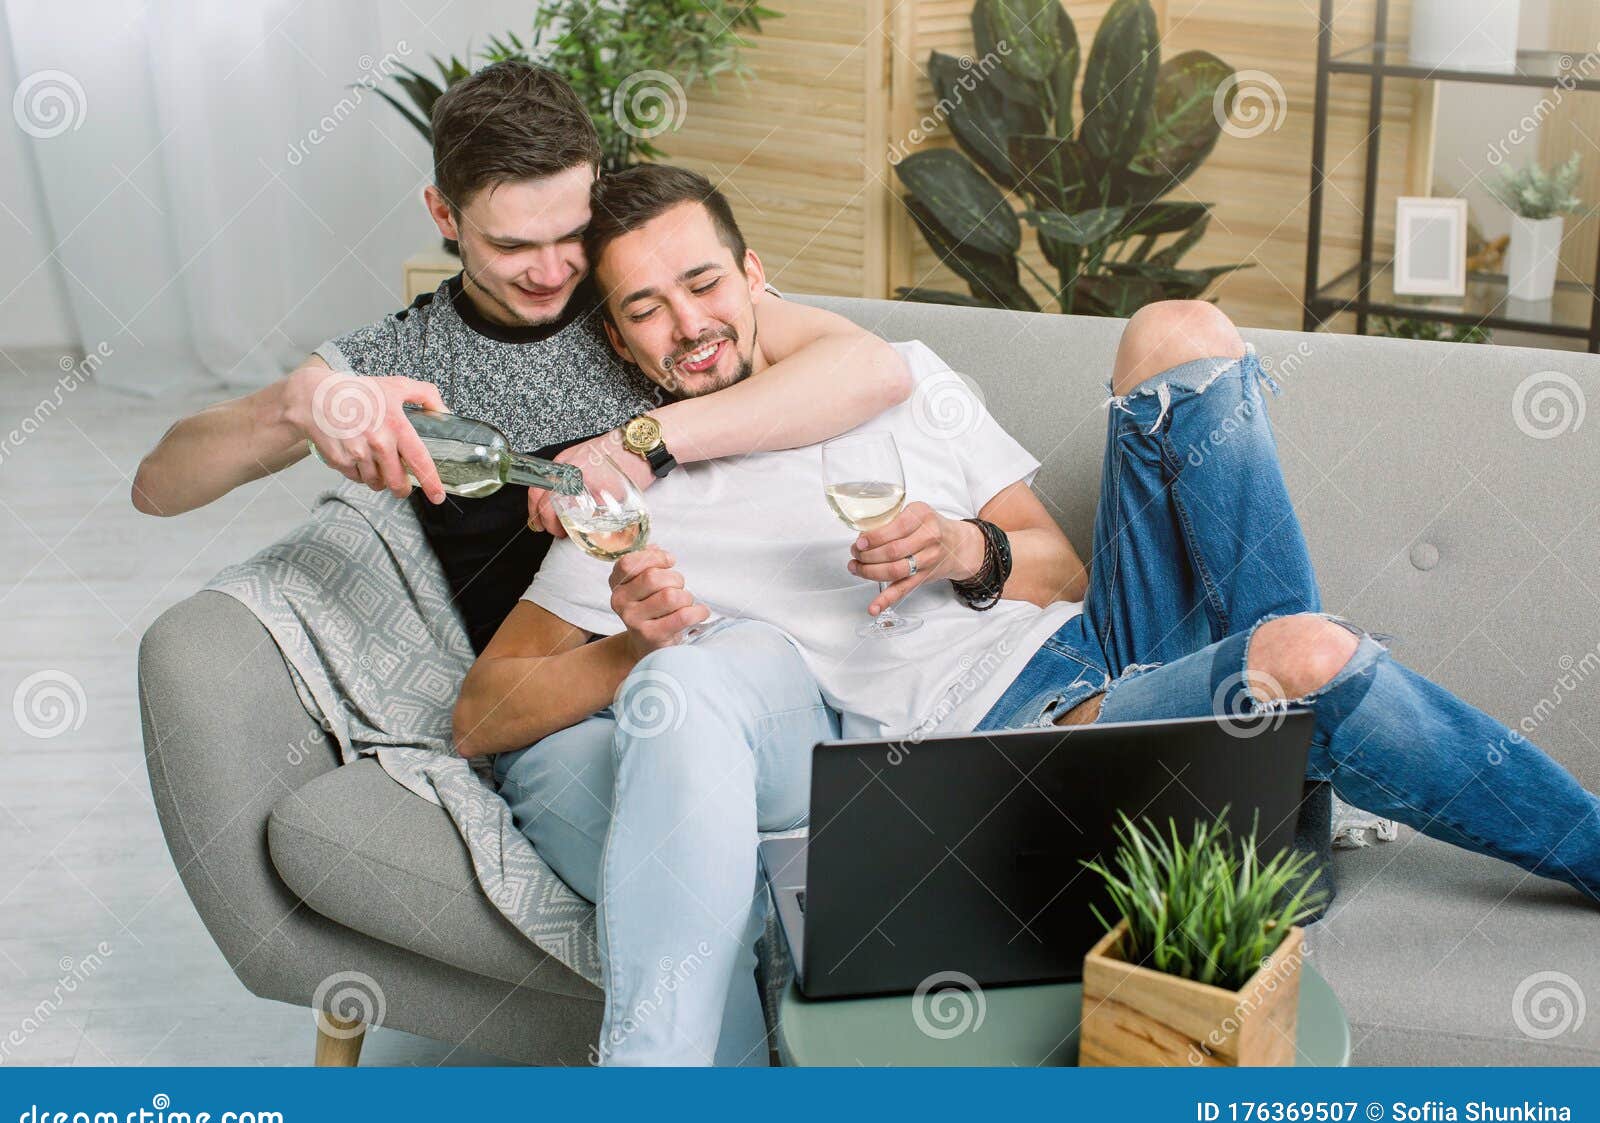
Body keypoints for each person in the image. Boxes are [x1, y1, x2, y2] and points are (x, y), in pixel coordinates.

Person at [461, 164, 1600, 1067]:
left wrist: (968, 548)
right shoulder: (632, 504)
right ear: (619, 341)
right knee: (1301, 652)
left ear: (756, 273)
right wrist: (637, 640)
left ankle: (1270, 785)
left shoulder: (885, 374)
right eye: (646, 311)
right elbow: (481, 713)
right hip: (1022, 743)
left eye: (704, 283)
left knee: (1176, 331)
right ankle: (1291, 774)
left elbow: (1057, 567)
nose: (689, 325)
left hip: (1097, 644)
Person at [129, 61, 910, 653]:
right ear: (444, 213)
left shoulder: (646, 298)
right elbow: (156, 490)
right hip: (565, 687)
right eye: (510, 245)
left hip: (767, 633)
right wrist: (293, 402)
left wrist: (635, 444)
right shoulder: (405, 358)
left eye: (570, 235)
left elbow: (870, 370)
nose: (549, 271)